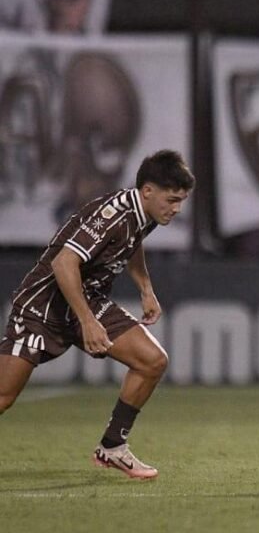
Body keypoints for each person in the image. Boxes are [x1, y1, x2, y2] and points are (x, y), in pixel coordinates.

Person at [0, 149, 195, 480]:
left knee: (152, 361)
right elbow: (64, 263)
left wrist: (145, 288)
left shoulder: (144, 214)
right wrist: (88, 322)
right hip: (42, 307)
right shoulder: (113, 216)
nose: (177, 208)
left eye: (181, 201)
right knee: (4, 396)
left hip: (86, 299)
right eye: (172, 199)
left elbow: (133, 242)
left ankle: (112, 447)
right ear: (148, 190)